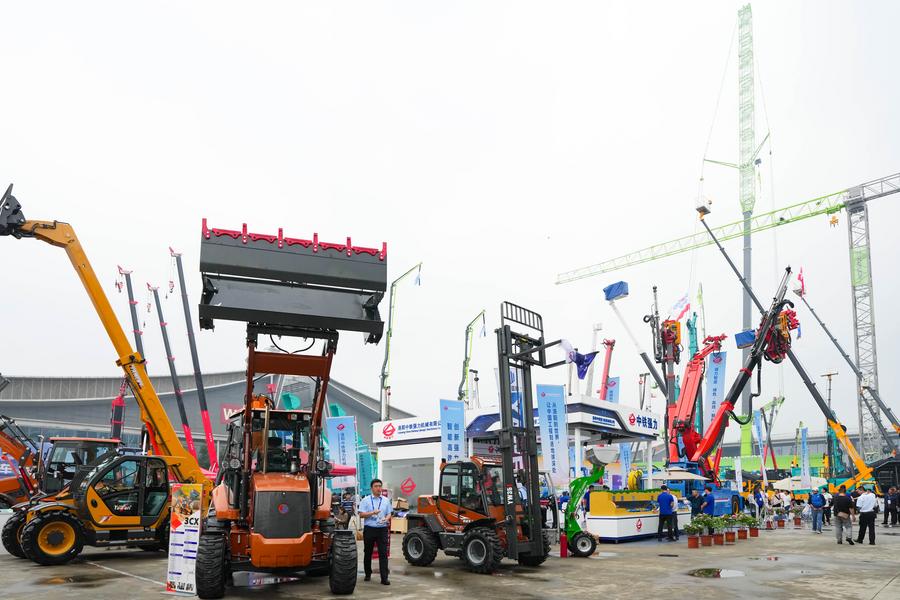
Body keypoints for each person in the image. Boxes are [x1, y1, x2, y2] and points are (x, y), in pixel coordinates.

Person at [358, 478, 392, 585]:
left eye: (380, 486)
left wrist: (386, 519)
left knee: (383, 554)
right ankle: (368, 573)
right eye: (376, 486)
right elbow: (361, 514)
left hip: (382, 529)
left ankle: (384, 578)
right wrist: (372, 512)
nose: (378, 488)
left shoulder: (386, 500)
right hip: (370, 529)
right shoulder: (365, 500)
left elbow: (389, 513)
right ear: (371, 488)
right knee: (368, 552)